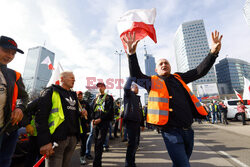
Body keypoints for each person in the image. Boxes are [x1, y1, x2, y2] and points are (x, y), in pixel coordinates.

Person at [122, 30, 222, 166]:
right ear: (156, 70)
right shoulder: (151, 81)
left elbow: (199, 71)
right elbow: (136, 75)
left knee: (181, 163)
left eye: (166, 63)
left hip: (188, 131)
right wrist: (132, 54)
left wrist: (213, 53)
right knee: (183, 165)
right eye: (161, 64)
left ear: (170, 67)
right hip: (170, 132)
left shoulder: (179, 77)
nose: (164, 64)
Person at [36, 71, 86, 167]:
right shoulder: (51, 91)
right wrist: (45, 141)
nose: (74, 80)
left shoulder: (73, 95)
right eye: (71, 77)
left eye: (74, 78)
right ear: (62, 79)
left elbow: (69, 114)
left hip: (73, 138)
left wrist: (80, 114)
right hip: (57, 139)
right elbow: (41, 117)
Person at [0, 36, 28, 167]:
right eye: (6, 50)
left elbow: (24, 97)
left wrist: (20, 108)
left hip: (9, 130)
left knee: (5, 162)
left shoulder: (15, 75)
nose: (10, 56)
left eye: (13, 53)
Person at [123, 77, 145, 167]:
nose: (137, 89)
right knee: (131, 144)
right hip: (130, 122)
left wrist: (142, 124)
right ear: (131, 88)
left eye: (137, 88)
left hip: (137, 123)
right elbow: (125, 88)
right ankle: (128, 164)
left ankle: (132, 162)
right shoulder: (128, 95)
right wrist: (131, 78)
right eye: (135, 87)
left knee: (136, 144)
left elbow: (140, 112)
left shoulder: (137, 98)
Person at [92, 82, 114, 167]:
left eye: (101, 86)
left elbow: (110, 111)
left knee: (100, 143)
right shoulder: (96, 98)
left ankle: (97, 163)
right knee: (96, 143)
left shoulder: (108, 98)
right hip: (95, 123)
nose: (99, 88)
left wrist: (101, 119)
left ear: (105, 87)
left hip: (103, 122)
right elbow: (92, 110)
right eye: (98, 87)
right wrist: (92, 119)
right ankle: (97, 162)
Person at [77, 91, 92, 165]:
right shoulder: (74, 103)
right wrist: (80, 114)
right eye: (78, 95)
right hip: (75, 126)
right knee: (72, 143)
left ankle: (82, 156)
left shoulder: (86, 103)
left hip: (83, 126)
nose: (80, 96)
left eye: (81, 95)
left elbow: (90, 113)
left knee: (83, 142)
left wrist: (87, 122)